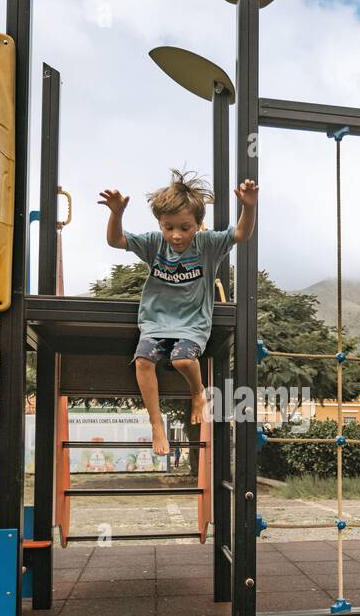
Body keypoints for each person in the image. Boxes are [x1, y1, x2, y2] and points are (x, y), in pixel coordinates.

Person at [100, 169, 258, 456]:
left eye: (184, 228)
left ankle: (197, 393)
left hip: (192, 325)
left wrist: (248, 206)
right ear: (160, 224)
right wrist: (116, 214)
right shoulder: (153, 243)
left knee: (184, 359)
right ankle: (156, 424)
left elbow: (241, 234)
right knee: (143, 362)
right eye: (168, 227)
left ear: (198, 224)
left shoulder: (207, 245)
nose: (175, 235)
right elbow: (115, 240)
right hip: (155, 323)